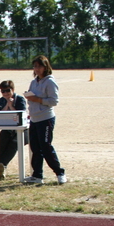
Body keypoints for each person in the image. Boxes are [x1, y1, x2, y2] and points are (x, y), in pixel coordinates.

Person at [24, 55, 67, 184]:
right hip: (34, 119)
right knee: (35, 147)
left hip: (45, 118)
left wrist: (38, 99)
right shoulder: (34, 82)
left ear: (45, 67)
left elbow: (54, 101)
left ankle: (60, 173)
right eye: (35, 66)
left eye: (39, 66)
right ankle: (37, 175)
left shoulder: (50, 81)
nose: (37, 69)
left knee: (46, 147)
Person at [0, 80, 27, 179]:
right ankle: (2, 167)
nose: (5, 93)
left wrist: (11, 106)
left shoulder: (20, 99)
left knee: (15, 142)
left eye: (7, 91)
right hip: (9, 128)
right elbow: (0, 114)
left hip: (23, 130)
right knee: (3, 136)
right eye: (3, 91)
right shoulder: (1, 100)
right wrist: (7, 105)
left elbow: (21, 115)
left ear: (13, 90)